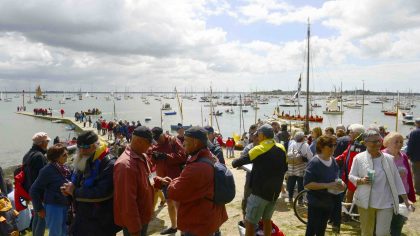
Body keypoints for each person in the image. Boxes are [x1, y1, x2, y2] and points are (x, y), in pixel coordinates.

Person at [349, 129, 414, 236]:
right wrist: (360, 180)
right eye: (374, 142)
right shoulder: (359, 158)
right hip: (366, 201)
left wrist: (406, 200)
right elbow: (351, 176)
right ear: (365, 143)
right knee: (367, 232)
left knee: (382, 233)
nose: (378, 144)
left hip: (386, 202)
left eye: (379, 141)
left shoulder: (389, 159)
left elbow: (397, 181)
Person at [167, 126, 228, 235]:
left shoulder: (197, 167)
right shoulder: (211, 157)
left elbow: (174, 192)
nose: (183, 143)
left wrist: (171, 182)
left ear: (195, 142)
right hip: (210, 217)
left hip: (198, 223)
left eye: (185, 140)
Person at [114, 126, 171, 236]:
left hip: (143, 217)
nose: (151, 146)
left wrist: (159, 180)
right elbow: (127, 202)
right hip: (135, 222)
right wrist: (134, 229)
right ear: (139, 141)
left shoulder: (143, 156)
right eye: (149, 143)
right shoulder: (125, 166)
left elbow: (149, 176)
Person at [232, 124, 288, 236]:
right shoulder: (281, 148)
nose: (257, 136)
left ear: (262, 135)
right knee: (267, 220)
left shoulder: (258, 149)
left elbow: (236, 163)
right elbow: (285, 168)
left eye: (258, 134)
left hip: (259, 193)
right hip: (274, 193)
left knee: (250, 222)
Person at [61, 131, 119, 236]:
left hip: (101, 221)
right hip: (83, 217)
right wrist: (68, 191)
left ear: (95, 145)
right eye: (80, 147)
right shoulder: (84, 158)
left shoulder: (108, 163)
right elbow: (78, 182)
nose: (82, 151)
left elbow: (103, 192)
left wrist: (74, 191)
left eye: (86, 147)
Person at [304, 135, 346, 236]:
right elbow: (307, 184)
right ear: (321, 147)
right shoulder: (314, 162)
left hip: (329, 202)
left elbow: (336, 178)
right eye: (330, 145)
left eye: (334, 145)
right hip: (316, 202)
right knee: (312, 229)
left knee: (322, 229)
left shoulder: (333, 161)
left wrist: (342, 184)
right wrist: (328, 185)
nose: (333, 148)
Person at [150, 127, 187, 235]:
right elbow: (151, 162)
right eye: (155, 139)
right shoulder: (155, 146)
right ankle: (174, 226)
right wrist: (154, 157)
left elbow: (183, 157)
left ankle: (183, 230)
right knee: (169, 202)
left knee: (178, 204)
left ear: (163, 134)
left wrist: (166, 156)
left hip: (175, 178)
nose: (157, 140)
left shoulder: (173, 141)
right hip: (163, 180)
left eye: (158, 137)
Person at [30, 143, 70, 236]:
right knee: (56, 233)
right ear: (56, 157)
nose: (67, 156)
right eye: (64, 154)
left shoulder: (64, 168)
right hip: (54, 206)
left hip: (64, 205)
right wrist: (39, 209)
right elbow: (34, 190)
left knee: (64, 232)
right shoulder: (47, 170)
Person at [383, 132, 416, 236]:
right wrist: (396, 172)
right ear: (387, 143)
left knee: (399, 220)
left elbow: (409, 176)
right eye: (396, 141)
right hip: (386, 194)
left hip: (402, 193)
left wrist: (410, 193)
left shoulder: (404, 157)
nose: (399, 144)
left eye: (401, 142)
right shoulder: (382, 156)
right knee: (384, 222)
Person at [21, 132, 50, 236]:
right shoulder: (39, 156)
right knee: (42, 218)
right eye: (47, 141)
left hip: (30, 191)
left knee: (37, 216)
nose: (48, 143)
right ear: (42, 143)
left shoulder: (27, 154)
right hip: (39, 193)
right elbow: (42, 177)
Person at [335, 123, 365, 203]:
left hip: (355, 174)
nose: (349, 134)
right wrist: (333, 160)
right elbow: (345, 154)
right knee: (346, 194)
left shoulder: (361, 146)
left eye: (351, 132)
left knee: (350, 195)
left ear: (358, 134)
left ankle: (348, 213)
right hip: (347, 173)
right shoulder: (352, 143)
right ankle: (347, 211)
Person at [287, 131, 313, 204]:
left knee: (291, 182)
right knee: (300, 184)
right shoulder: (305, 145)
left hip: (291, 166)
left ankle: (290, 198)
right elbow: (310, 156)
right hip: (301, 166)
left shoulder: (292, 144)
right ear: (302, 138)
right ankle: (300, 200)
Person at [238, 124, 258, 220]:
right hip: (250, 178)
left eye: (255, 133)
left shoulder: (266, 147)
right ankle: (245, 216)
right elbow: (241, 161)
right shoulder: (248, 148)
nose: (252, 135)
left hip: (263, 180)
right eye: (251, 133)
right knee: (247, 198)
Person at [407, 118, 420, 194]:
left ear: (416, 123)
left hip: (416, 157)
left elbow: (410, 145)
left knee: (417, 174)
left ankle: (418, 190)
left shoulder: (414, 132)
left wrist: (408, 154)